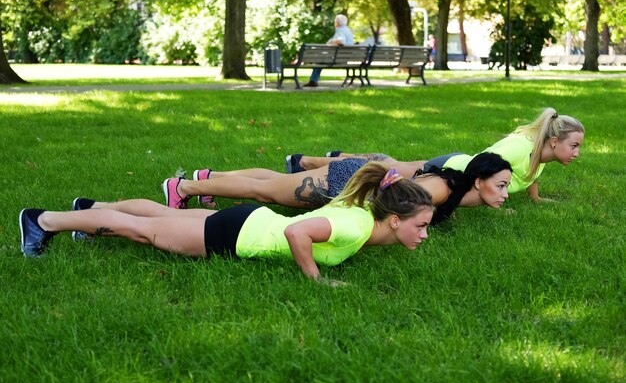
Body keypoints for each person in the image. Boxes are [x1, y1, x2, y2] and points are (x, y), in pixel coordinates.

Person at [19, 163, 434, 284]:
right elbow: (297, 232)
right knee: (143, 230)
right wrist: (315, 279)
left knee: (162, 216)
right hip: (236, 234)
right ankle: (45, 221)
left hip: (249, 220)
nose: (426, 234)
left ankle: (90, 208)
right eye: (421, 226)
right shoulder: (359, 227)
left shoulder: (364, 212)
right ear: (394, 221)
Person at [284, 108, 584, 202]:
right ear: (554, 141)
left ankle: (328, 157)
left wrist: (535, 197)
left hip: (453, 168)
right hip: (450, 170)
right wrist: (458, 196)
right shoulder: (520, 148)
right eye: (574, 145)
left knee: (390, 164)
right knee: (384, 170)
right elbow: (484, 163)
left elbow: (530, 173)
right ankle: (307, 162)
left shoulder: (540, 153)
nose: (577, 153)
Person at [163, 153, 511, 225]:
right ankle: (184, 187)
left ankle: (209, 177)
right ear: (479, 182)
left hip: (351, 179)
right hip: (344, 183)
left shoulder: (464, 194)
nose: (507, 192)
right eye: (501, 185)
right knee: (265, 192)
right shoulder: (441, 191)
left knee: (270, 181)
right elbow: (393, 199)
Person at [303, 14, 354, 88]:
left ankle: (313, 81)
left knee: (319, 60)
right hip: (344, 58)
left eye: (335, 21)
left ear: (337, 23)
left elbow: (341, 42)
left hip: (337, 59)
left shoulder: (340, 31)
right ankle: (313, 81)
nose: (334, 23)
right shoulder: (347, 30)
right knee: (319, 60)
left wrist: (331, 43)